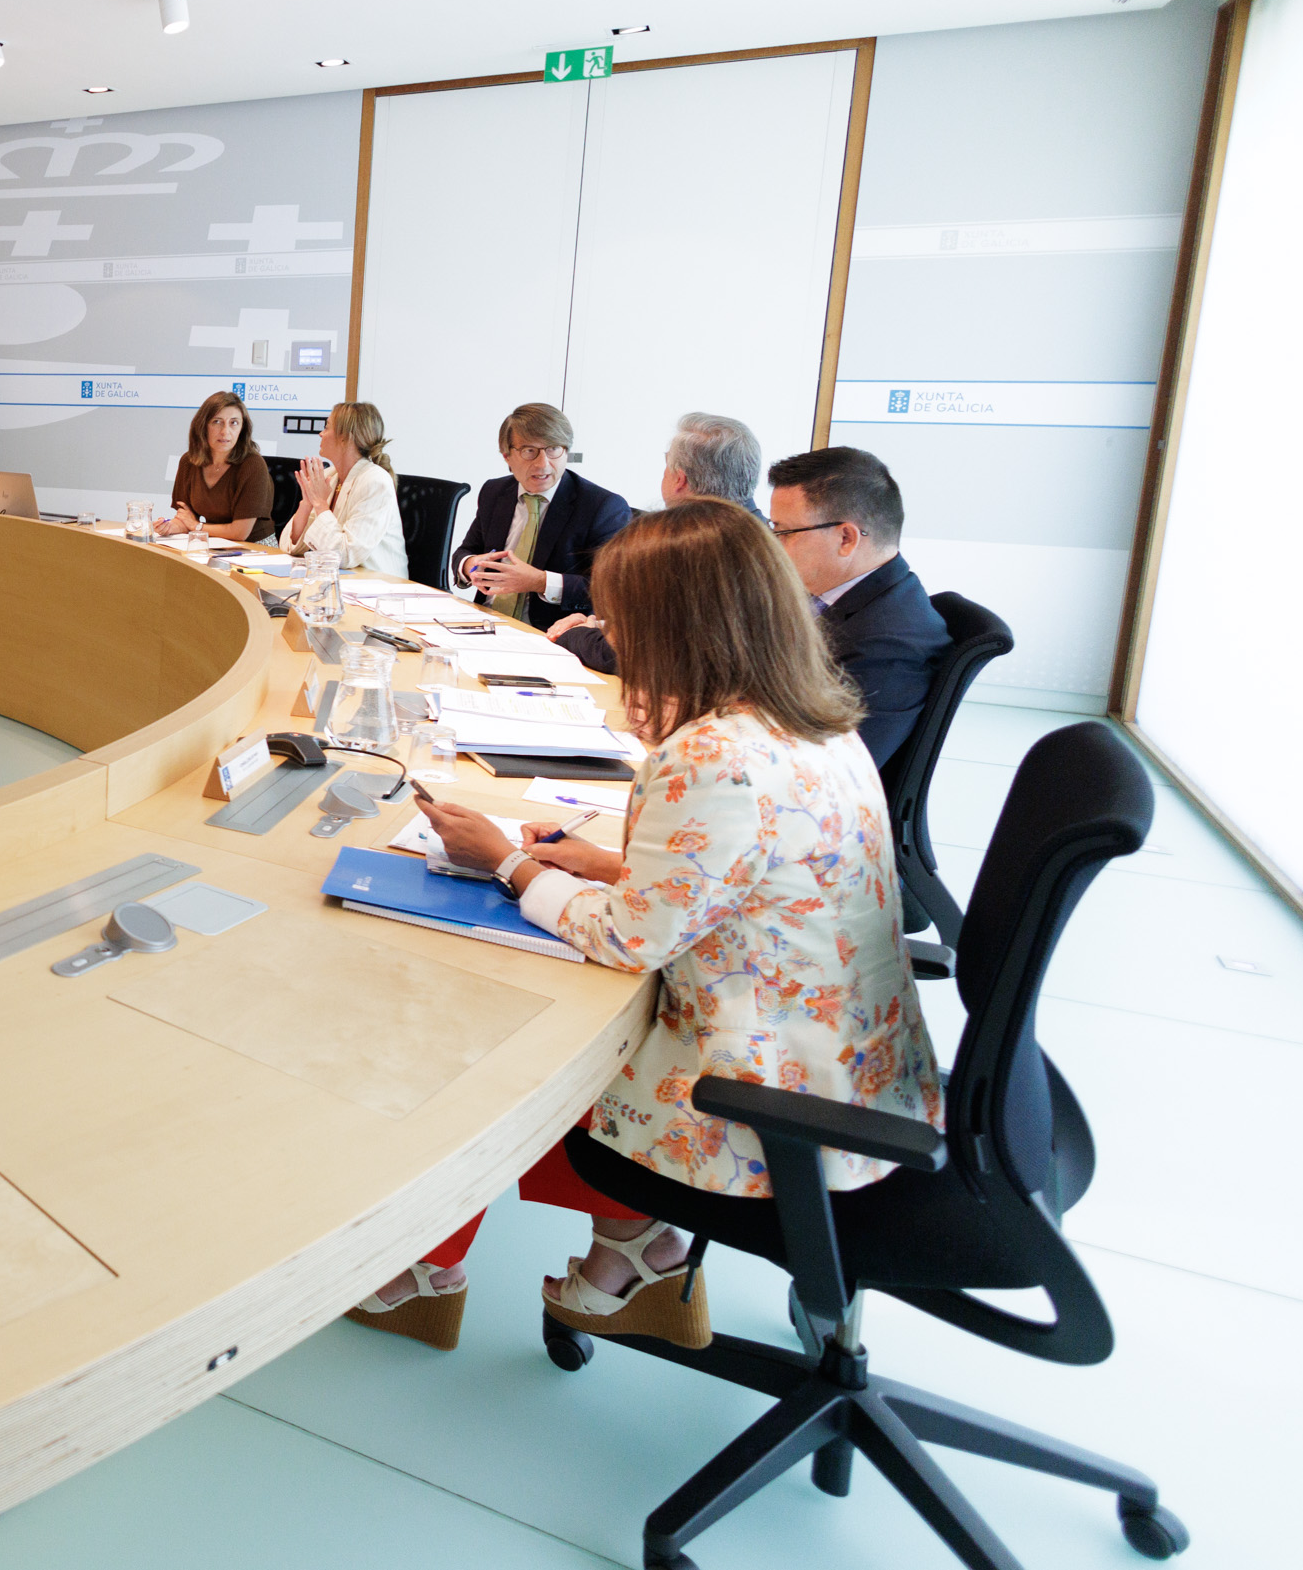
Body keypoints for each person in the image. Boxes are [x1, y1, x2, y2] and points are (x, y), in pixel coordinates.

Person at [355, 498, 941, 1353]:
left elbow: (628, 939)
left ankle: (425, 1268)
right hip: (857, 1072)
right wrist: (605, 864)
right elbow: (743, 882)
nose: (610, 633)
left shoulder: (714, 754)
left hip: (770, 1106)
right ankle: (633, 1252)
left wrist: (507, 862)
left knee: (502, 1043)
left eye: (621, 618)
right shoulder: (815, 718)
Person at [766, 445, 951, 770]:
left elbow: (830, 771)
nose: (774, 545)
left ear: (846, 539)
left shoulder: (888, 647)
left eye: (784, 532)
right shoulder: (834, 591)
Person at [548, 411, 762, 671]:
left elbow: (638, 653)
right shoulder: (766, 535)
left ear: (679, 479)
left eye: (666, 464)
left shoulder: (686, 545)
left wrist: (576, 635)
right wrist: (599, 625)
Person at [449, 402, 627, 627]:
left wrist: (540, 582)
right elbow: (466, 552)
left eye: (553, 449)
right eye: (529, 451)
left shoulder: (602, 506)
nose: (543, 464)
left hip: (551, 632)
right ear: (507, 456)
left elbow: (611, 588)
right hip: (486, 621)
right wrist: (470, 565)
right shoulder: (494, 492)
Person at [281, 400, 406, 576]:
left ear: (345, 437)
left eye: (327, 427)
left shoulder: (376, 482)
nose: (320, 434)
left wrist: (320, 503)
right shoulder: (329, 476)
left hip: (378, 586)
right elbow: (290, 547)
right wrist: (307, 503)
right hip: (338, 581)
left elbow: (345, 556)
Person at [157, 390, 272, 540]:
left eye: (234, 423)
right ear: (203, 426)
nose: (225, 431)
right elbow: (186, 518)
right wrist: (171, 526)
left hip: (255, 546)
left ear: (242, 429)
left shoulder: (253, 465)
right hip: (215, 542)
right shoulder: (189, 461)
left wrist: (197, 526)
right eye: (217, 422)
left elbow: (239, 533)